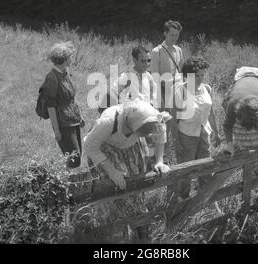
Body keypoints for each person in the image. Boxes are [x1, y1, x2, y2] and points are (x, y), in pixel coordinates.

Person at [82, 100, 171, 242]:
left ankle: (140, 230)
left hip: (131, 148)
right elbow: (89, 145)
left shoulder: (154, 118)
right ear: (131, 125)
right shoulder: (108, 122)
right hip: (105, 150)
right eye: (142, 132)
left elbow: (160, 135)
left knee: (135, 185)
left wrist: (159, 161)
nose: (145, 135)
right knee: (116, 188)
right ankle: (115, 232)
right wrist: (112, 171)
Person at [170, 56, 221, 200]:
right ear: (187, 75)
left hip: (204, 134)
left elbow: (211, 112)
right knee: (186, 169)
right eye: (196, 76)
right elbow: (173, 120)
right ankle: (183, 198)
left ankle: (204, 197)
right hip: (186, 135)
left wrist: (216, 132)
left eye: (202, 75)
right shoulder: (180, 91)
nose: (200, 79)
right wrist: (176, 142)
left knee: (205, 167)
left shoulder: (207, 89)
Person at [40, 41, 85, 168]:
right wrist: (56, 131)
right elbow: (50, 106)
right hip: (63, 123)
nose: (72, 58)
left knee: (77, 157)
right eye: (70, 56)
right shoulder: (52, 78)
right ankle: (61, 181)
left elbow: (72, 97)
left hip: (74, 120)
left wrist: (80, 115)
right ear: (64, 59)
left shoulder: (65, 73)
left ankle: (65, 180)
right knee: (73, 159)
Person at [100, 46, 157, 110]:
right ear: (135, 60)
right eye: (143, 61)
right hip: (129, 116)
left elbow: (153, 97)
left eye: (149, 60)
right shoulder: (126, 77)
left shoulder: (149, 77)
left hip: (146, 115)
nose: (147, 64)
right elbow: (111, 94)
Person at [151, 20, 184, 110]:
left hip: (177, 89)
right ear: (165, 34)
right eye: (172, 35)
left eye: (177, 35)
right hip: (163, 92)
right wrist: (158, 98)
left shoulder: (178, 50)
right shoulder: (156, 51)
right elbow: (155, 77)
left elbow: (181, 72)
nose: (175, 38)